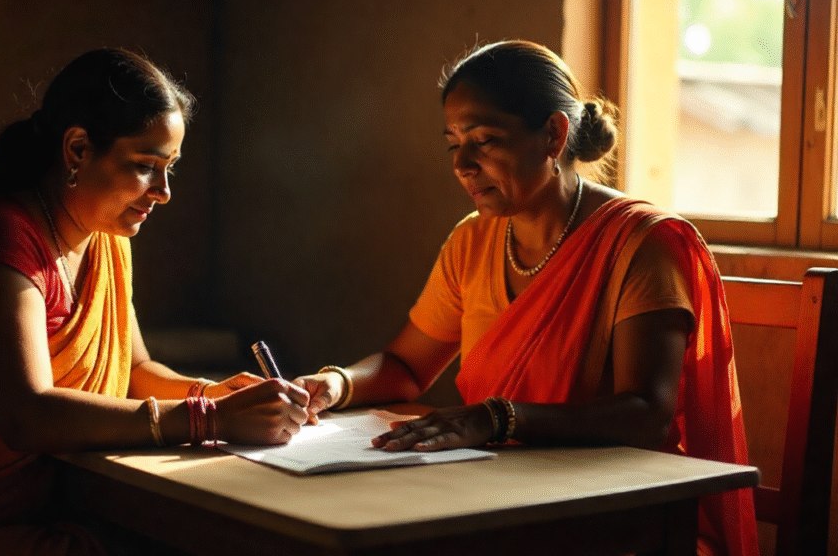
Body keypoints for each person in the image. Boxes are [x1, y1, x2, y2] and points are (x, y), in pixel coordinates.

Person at [295, 40, 759, 556]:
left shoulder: (642, 244)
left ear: (554, 134)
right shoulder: (473, 240)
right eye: (453, 144)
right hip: (492, 497)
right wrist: (332, 385)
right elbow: (406, 365)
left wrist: (497, 418)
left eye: (486, 140)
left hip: (612, 513)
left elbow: (646, 413)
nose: (463, 165)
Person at [0, 48, 310, 556]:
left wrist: (222, 395)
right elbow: (26, 414)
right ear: (77, 150)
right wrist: (211, 418)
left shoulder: (107, 239)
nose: (164, 192)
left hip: (44, 508)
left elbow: (136, 370)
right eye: (144, 166)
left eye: (170, 168)